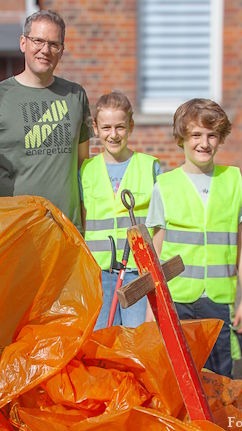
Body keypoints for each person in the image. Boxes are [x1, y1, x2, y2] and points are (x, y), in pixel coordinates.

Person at [146, 98, 242, 378]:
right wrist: (151, 304)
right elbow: (155, 249)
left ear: (220, 139)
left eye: (212, 135)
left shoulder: (233, 181)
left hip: (217, 299)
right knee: (178, 378)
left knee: (219, 379)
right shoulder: (165, 186)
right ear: (181, 138)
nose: (204, 143)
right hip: (177, 298)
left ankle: (216, 423)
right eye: (196, 135)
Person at [0, 9, 91, 232]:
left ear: (61, 51)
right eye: (38, 41)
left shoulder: (76, 96)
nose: (45, 50)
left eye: (54, 44)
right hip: (15, 231)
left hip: (66, 231)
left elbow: (83, 169)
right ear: (23, 43)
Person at [80, 92, 161, 330]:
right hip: (100, 273)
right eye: (106, 127)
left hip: (139, 271)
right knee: (103, 339)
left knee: (138, 338)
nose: (113, 135)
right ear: (96, 128)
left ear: (131, 127)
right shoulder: (86, 170)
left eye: (120, 127)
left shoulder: (150, 167)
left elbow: (160, 226)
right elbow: (83, 221)